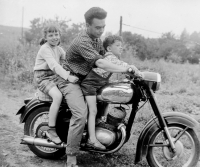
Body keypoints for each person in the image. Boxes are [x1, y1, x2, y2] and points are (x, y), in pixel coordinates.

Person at [56, 7, 139, 167]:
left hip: (84, 79)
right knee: (80, 114)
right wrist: (125, 68)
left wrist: (127, 68)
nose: (101, 31)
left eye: (103, 27)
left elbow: (107, 57)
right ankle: (71, 157)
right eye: (98, 27)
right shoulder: (82, 41)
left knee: (104, 101)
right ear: (87, 25)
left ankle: (97, 135)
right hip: (69, 80)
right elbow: (99, 62)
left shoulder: (97, 39)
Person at [80, 35, 141, 150]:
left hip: (97, 85)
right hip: (90, 86)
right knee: (92, 111)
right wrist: (134, 69)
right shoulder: (109, 57)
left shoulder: (111, 58)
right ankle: (91, 139)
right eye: (117, 45)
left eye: (121, 46)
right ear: (108, 49)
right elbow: (123, 66)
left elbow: (119, 70)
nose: (121, 48)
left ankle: (100, 125)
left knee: (106, 100)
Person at [34, 23, 79, 145]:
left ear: (60, 35)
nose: (54, 37)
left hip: (54, 76)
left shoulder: (59, 49)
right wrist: (68, 76)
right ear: (46, 37)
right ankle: (51, 130)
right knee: (58, 96)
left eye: (56, 34)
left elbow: (68, 61)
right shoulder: (45, 48)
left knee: (72, 91)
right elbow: (54, 65)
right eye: (51, 35)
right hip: (43, 78)